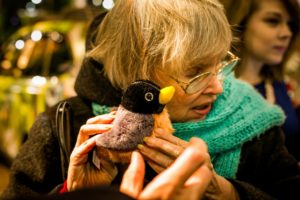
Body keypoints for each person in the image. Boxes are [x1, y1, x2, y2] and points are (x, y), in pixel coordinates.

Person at [2, 0, 300, 199]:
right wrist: (75, 193)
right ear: (136, 68)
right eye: (196, 71)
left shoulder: (250, 119)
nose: (219, 88)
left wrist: (228, 192)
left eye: (220, 63)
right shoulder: (68, 125)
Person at [219, 0, 300, 160]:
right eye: (273, 21)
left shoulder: (277, 83)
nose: (286, 33)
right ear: (241, 23)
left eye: (290, 24)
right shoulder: (214, 89)